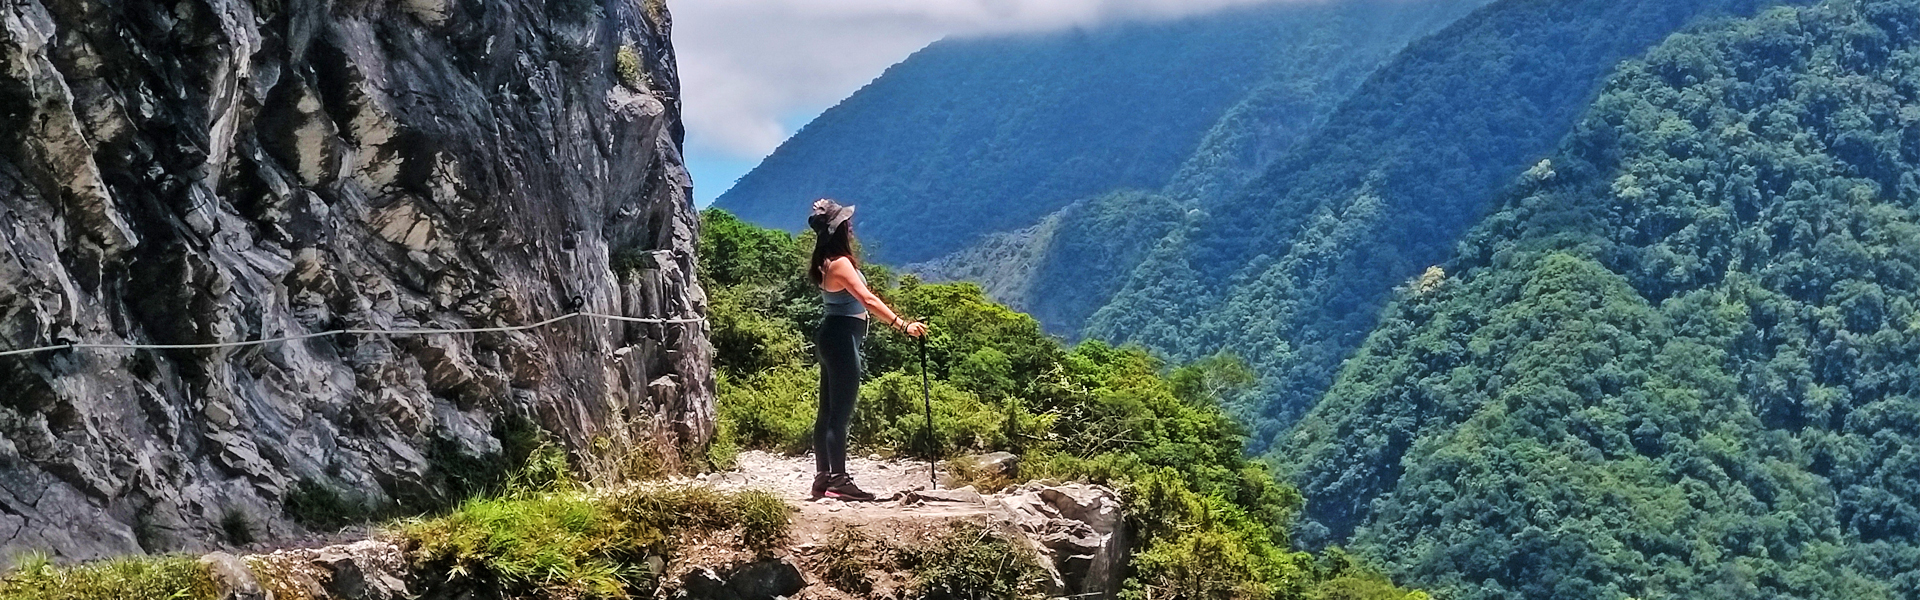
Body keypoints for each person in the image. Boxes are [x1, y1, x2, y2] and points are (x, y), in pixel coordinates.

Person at [807, 199, 926, 501]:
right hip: (842, 338)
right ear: (839, 230)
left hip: (829, 336)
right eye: (846, 222)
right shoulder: (841, 263)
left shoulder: (824, 261)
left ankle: (823, 477)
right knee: (839, 415)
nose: (851, 226)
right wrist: (903, 325)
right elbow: (868, 300)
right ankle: (839, 480)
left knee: (827, 412)